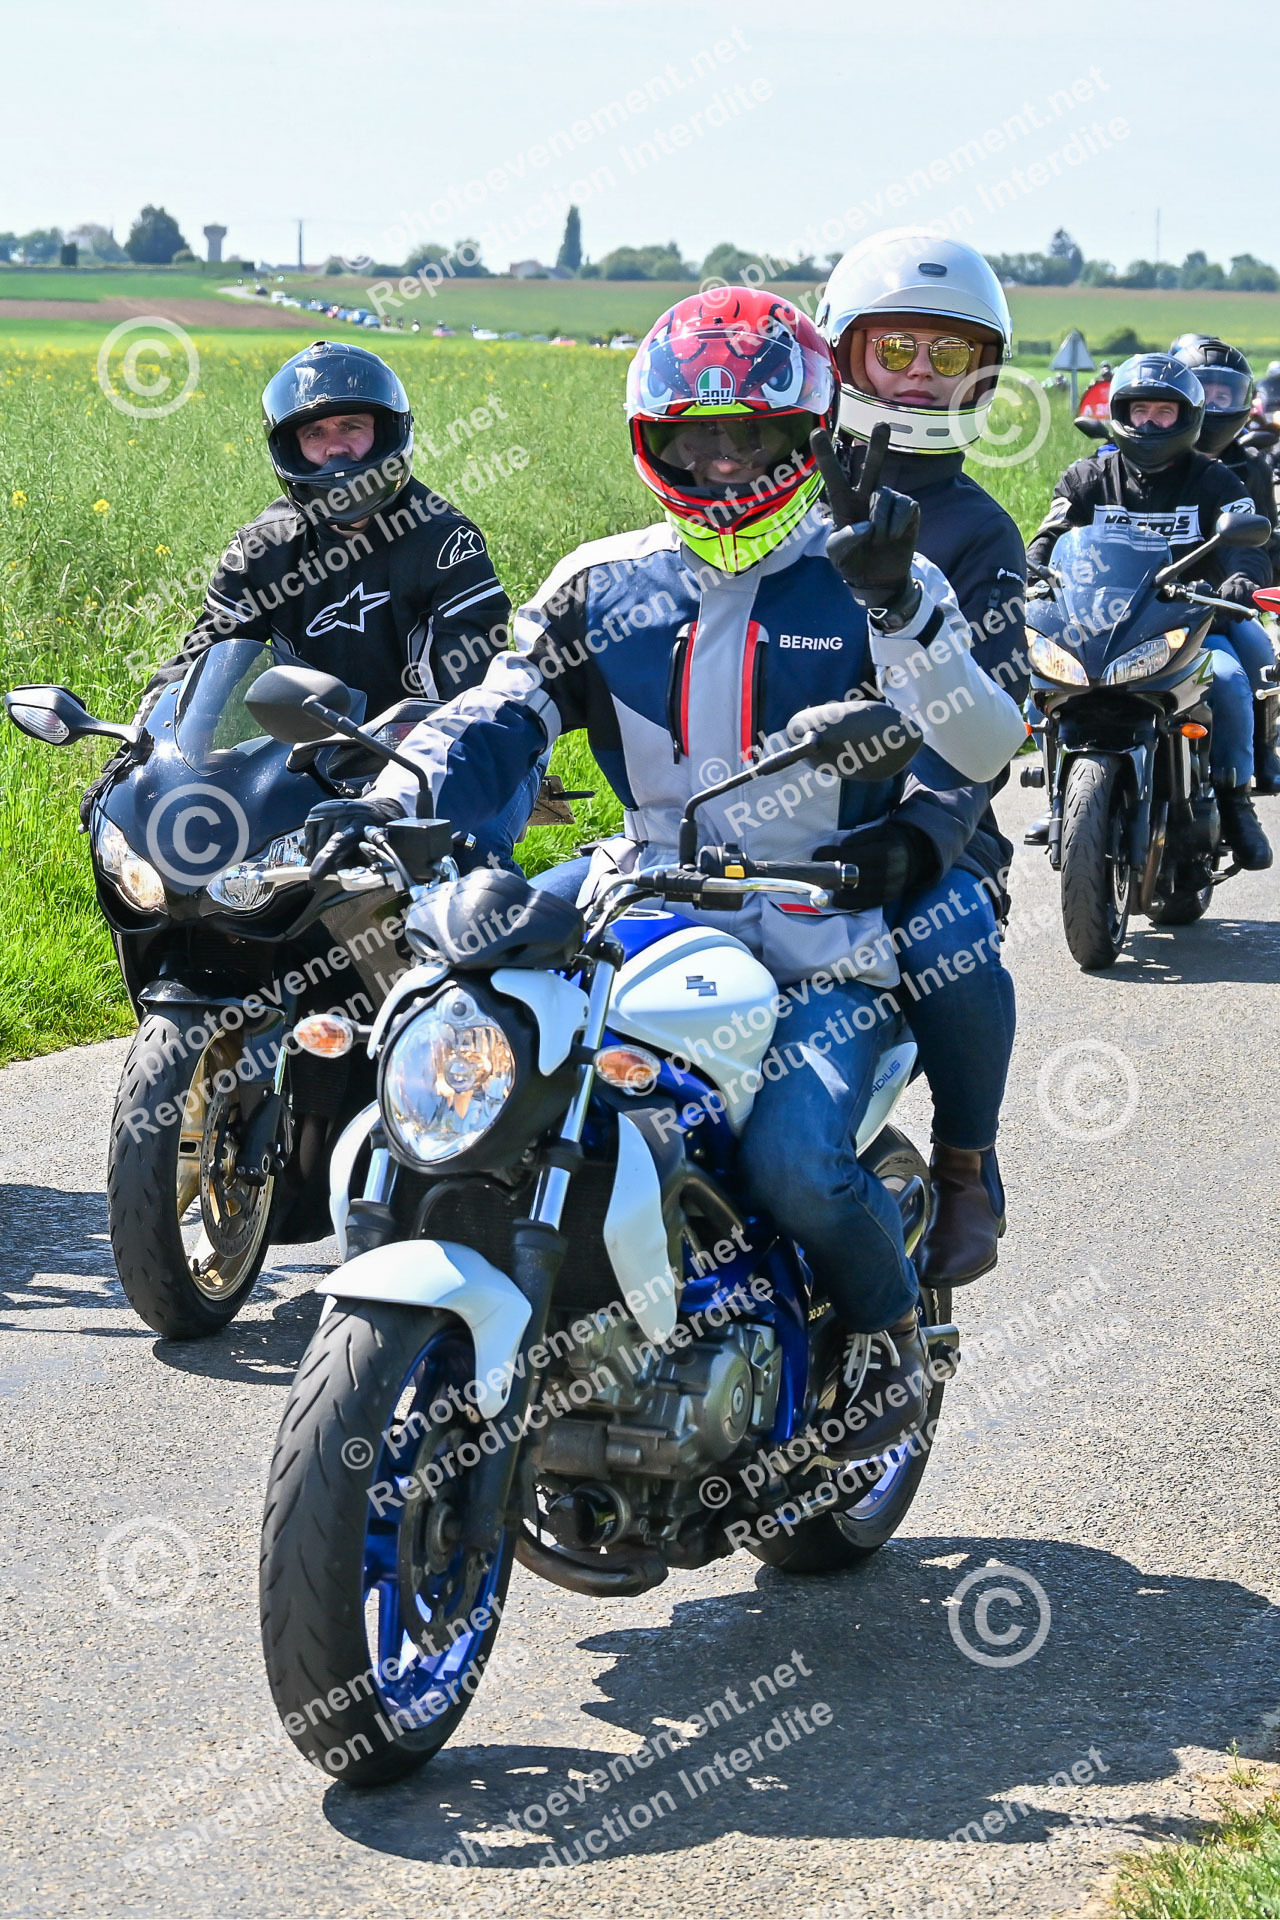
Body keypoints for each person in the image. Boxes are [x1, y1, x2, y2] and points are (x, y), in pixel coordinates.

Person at [317, 289, 1026, 1458]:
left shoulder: (877, 573)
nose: (719, 459)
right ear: (652, 440)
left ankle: (890, 1341)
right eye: (693, 436)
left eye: (747, 432)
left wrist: (900, 607)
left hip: (818, 929)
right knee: (457, 1034)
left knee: (796, 1168)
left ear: (806, 433)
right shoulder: (600, 581)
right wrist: (391, 797)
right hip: (639, 898)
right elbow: (499, 711)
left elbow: (983, 743)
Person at [86, 339, 536, 845]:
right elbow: (201, 659)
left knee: (468, 846)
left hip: (435, 751)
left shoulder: (445, 542)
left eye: (352, 427)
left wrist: (410, 773)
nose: (335, 448)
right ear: (290, 448)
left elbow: (476, 695)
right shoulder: (262, 550)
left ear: (387, 432)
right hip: (308, 757)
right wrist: (139, 760)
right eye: (314, 433)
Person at [816, 229, 1025, 1291]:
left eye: (948, 355)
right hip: (772, 819)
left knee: (947, 935)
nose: (918, 374)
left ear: (979, 376)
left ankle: (964, 1165)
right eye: (895, 346)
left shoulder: (980, 532)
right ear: (842, 351)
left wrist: (926, 830)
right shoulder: (772, 497)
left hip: (924, 830)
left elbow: (989, 713)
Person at [1025, 353, 1273, 870]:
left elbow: (1245, 543)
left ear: (1188, 418)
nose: (1150, 423)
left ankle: (1235, 800)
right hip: (1097, 624)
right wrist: (1030, 571)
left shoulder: (1216, 481)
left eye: (1164, 412)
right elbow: (1049, 536)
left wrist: (1241, 581)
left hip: (1189, 622)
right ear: (1121, 413)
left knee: (1229, 681)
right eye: (1140, 411)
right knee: (1038, 674)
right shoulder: (1086, 477)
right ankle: (1057, 793)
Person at [1170, 335, 1280, 791]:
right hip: (1137, 603)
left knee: (1257, 657)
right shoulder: (1128, 464)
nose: (1214, 404)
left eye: (1224, 393)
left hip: (1217, 604)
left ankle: (1258, 756)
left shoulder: (1248, 467)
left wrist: (1248, 583)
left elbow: (1264, 539)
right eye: (1204, 391)